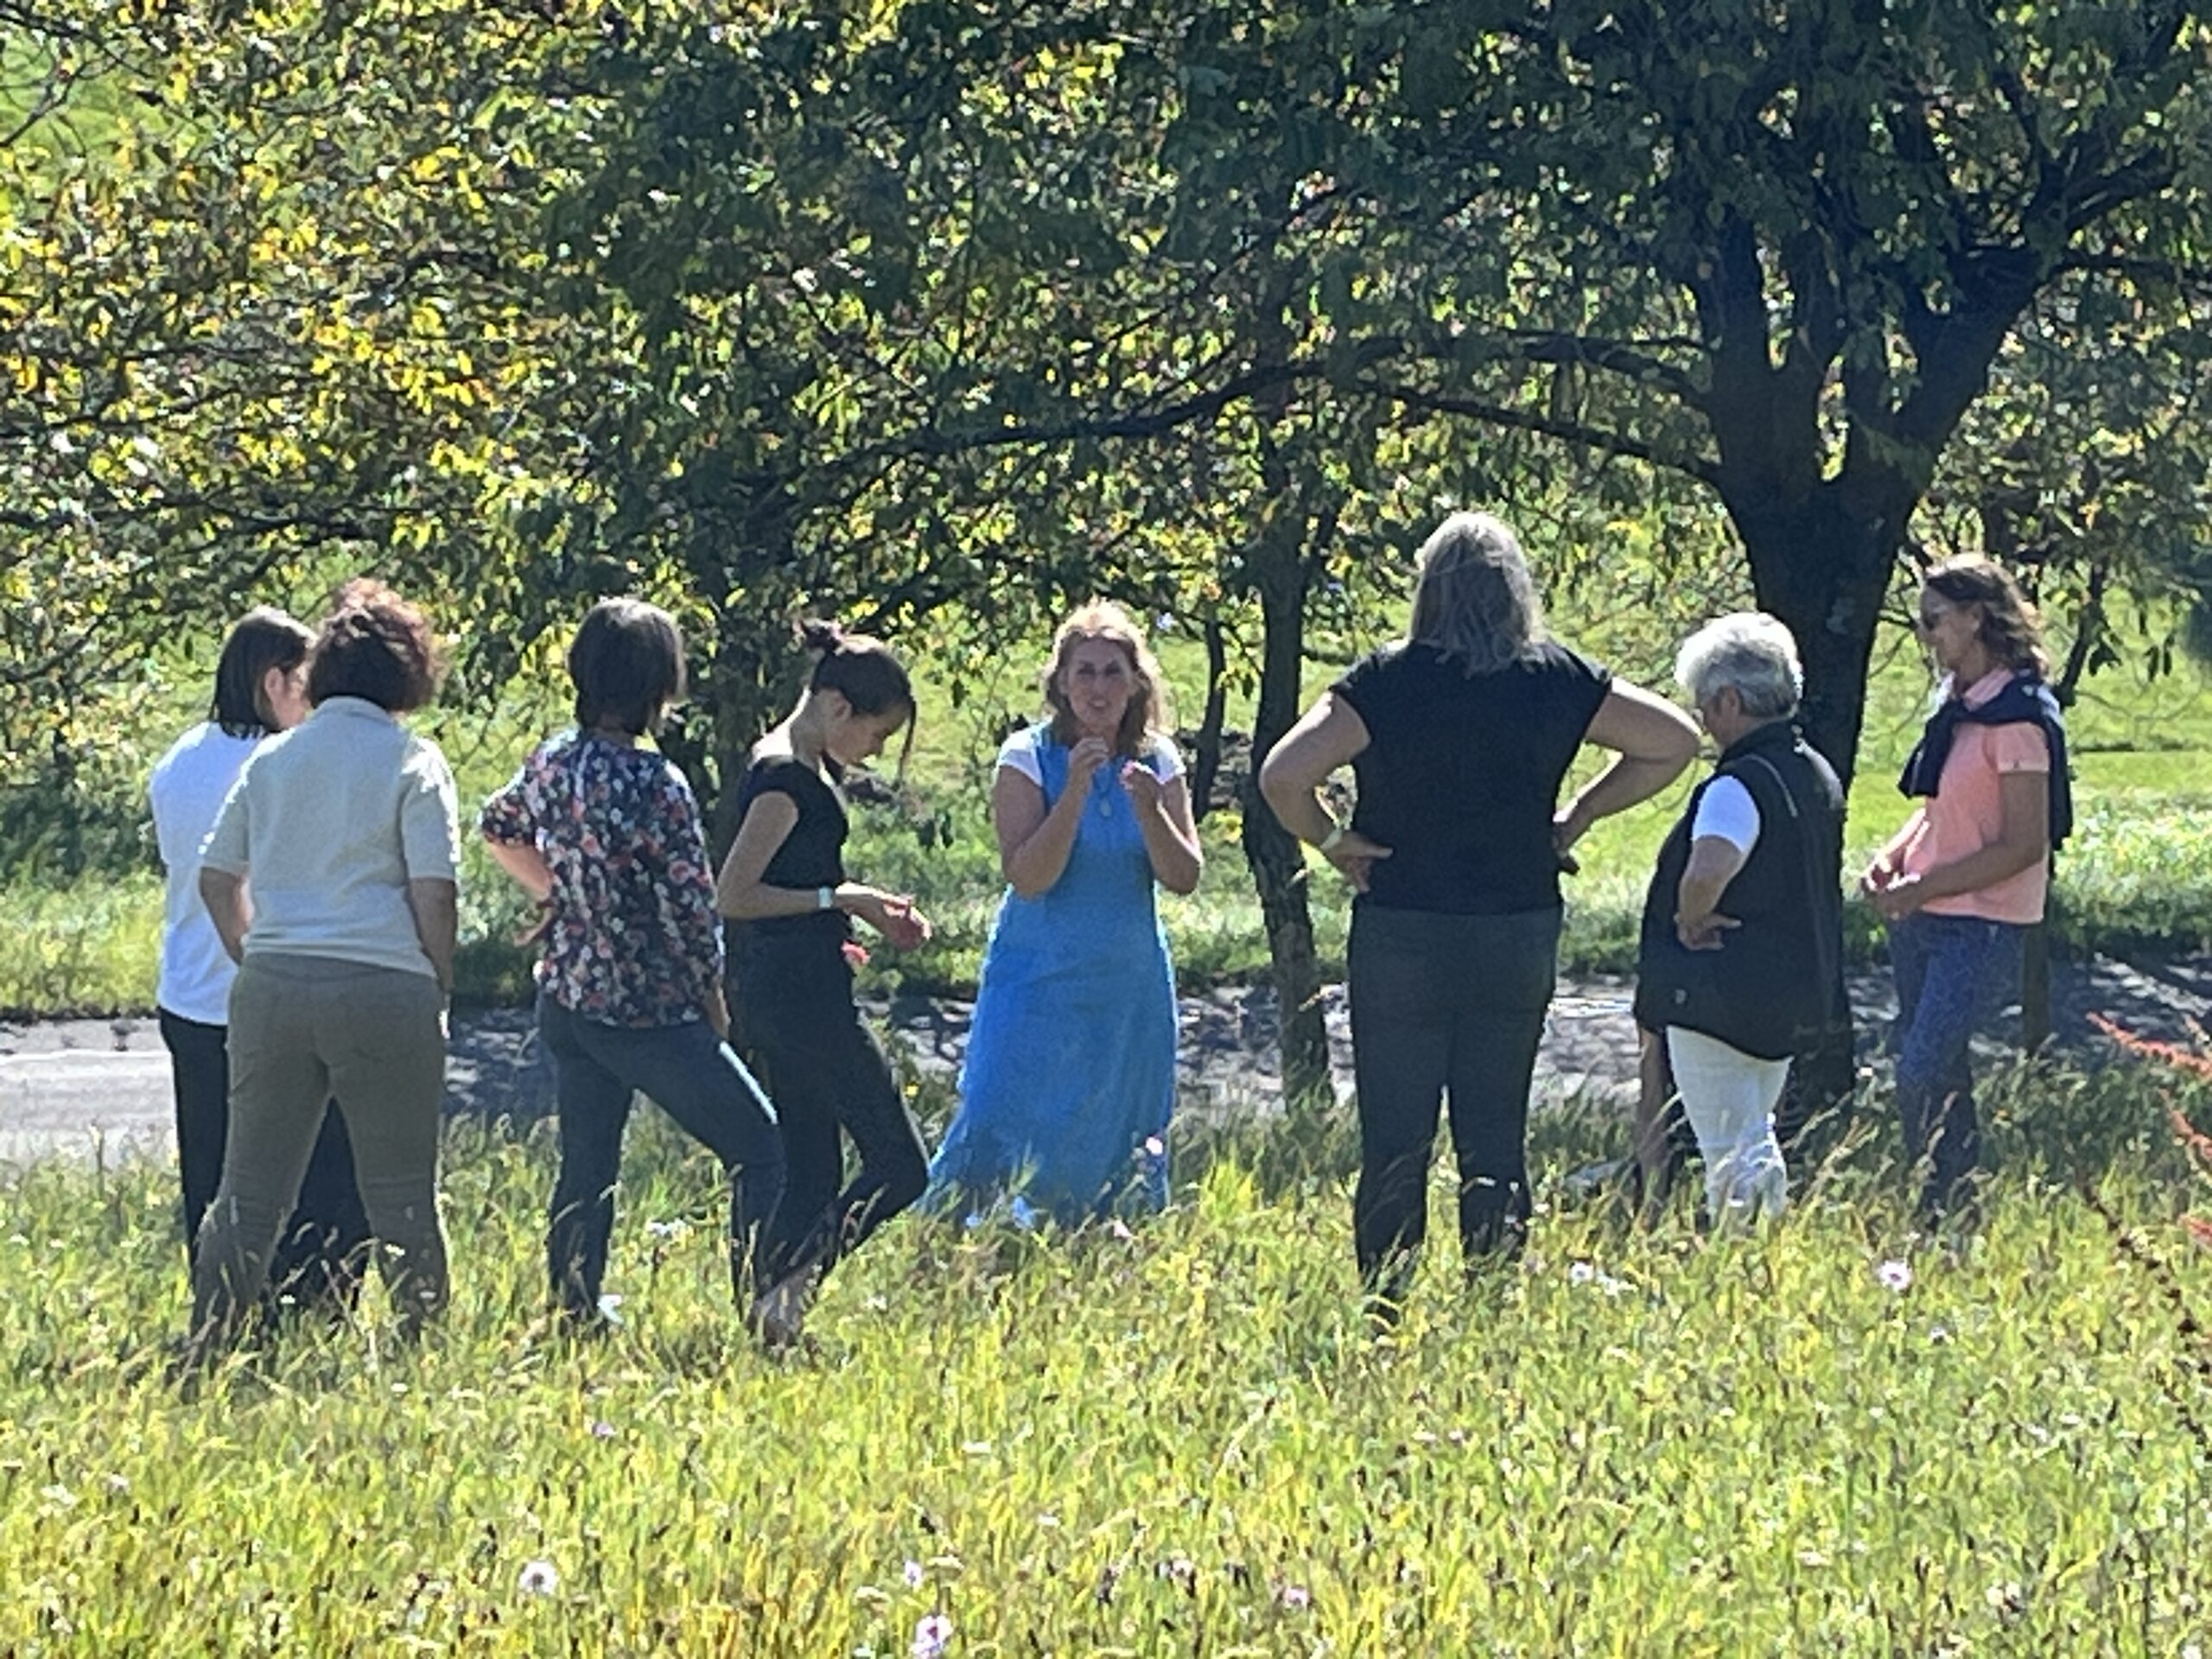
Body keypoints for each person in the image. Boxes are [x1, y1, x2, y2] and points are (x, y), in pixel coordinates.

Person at [1259, 511, 1697, 1300]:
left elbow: (1283, 776)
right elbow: (1673, 740)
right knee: (1496, 1132)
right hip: (1515, 925)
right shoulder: (1555, 677)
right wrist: (1578, 815)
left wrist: (1334, 840)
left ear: (1427, 589)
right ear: (1515, 591)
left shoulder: (1386, 681)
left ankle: (1385, 1306)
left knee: (1396, 1136)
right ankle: (1491, 1298)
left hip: (1403, 926)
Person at [480, 598, 786, 1332]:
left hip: (567, 995)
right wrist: (712, 996)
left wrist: (559, 891)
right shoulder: (656, 783)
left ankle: (574, 1308)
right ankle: (765, 1310)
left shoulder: (554, 758)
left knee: (587, 1163)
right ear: (660, 683)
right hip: (644, 1008)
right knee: (760, 1147)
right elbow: (691, 907)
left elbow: (498, 826)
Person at [188, 580, 461, 1362]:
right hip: (382, 983)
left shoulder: (274, 758)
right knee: (401, 1192)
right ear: (408, 675)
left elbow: (216, 877)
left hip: (274, 982)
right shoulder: (413, 760)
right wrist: (435, 982)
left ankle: (210, 1342)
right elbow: (434, 891)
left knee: (248, 1191)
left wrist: (253, 953)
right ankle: (419, 1354)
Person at [925, 601, 1202, 1227]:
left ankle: (1100, 1242)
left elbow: (1184, 877)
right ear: (1061, 683)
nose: (1099, 689)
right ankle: (973, 1239)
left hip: (1126, 988)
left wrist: (1151, 811)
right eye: (1085, 672)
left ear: (1136, 684)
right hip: (1037, 980)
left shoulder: (1158, 762)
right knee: (1001, 1114)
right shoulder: (1026, 756)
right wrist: (1074, 790)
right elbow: (1029, 876)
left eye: (1112, 673)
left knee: (1116, 1126)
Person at [715, 621, 933, 1338]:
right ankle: (790, 1290)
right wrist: (840, 899)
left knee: (812, 1169)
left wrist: (852, 911)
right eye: (876, 733)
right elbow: (735, 894)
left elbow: (796, 878)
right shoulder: (784, 779)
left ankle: (768, 1318)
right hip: (799, 1000)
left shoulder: (804, 766)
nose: (874, 751)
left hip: (790, 986)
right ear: (838, 706)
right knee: (900, 1165)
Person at [151, 608, 370, 1311]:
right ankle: (307, 1303)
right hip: (273, 993)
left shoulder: (179, 759)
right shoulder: (285, 767)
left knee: (212, 1169)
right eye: (307, 685)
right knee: (317, 1166)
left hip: (190, 992)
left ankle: (219, 1304)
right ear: (273, 682)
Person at [1864, 556, 2069, 1221]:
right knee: (1940, 1068)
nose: (1925, 637)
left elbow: (2023, 844)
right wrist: (1893, 858)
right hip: (1925, 913)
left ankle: (1945, 1206)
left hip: (1980, 924)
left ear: (1976, 618)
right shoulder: (1959, 703)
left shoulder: (2018, 719)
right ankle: (1948, 1214)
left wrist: (1924, 884)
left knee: (1921, 1069)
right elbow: (1938, 807)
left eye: (1934, 622)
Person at [1631, 613, 1846, 1228]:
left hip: (1720, 994)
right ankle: (1768, 1242)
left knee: (1727, 1147)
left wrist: (1689, 918)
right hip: (1788, 988)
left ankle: (1739, 1251)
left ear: (1730, 700)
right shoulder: (1814, 771)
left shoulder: (1737, 785)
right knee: (1757, 1131)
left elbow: (1708, 869)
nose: (1701, 718)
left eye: (1704, 703)